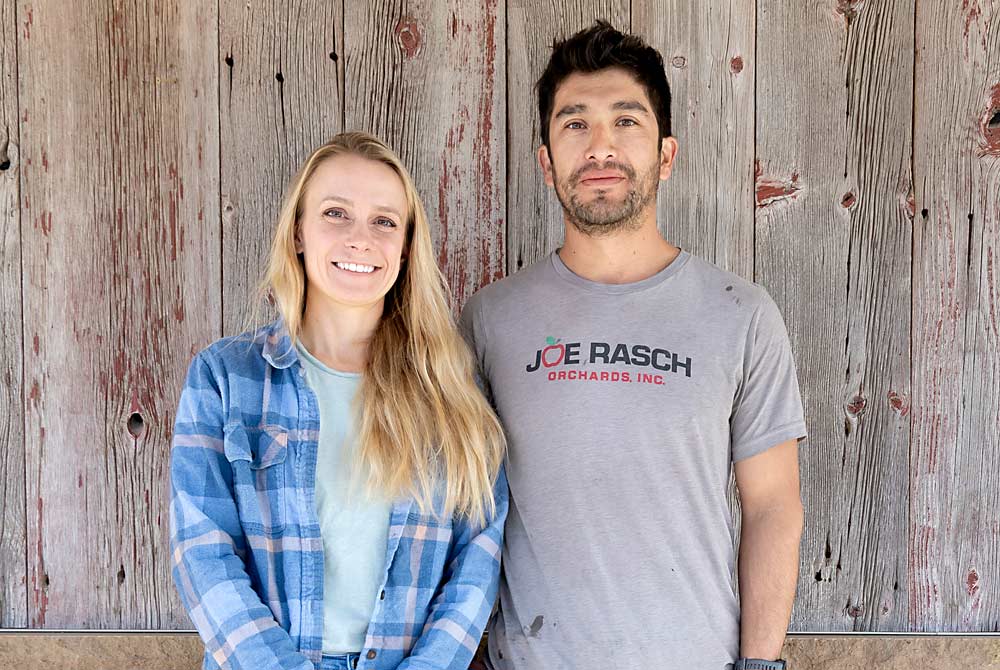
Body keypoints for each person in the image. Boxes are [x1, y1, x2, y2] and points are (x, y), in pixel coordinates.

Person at [460, 22, 806, 670]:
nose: (600, 146)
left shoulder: (741, 316)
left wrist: (760, 666)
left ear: (665, 155)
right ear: (545, 161)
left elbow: (772, 506)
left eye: (626, 122)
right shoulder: (490, 320)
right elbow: (458, 516)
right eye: (574, 124)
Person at [170, 131, 508, 670]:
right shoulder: (226, 378)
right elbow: (203, 554)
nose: (360, 239)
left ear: (405, 246)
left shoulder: (450, 387)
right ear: (299, 232)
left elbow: (479, 556)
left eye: (384, 221)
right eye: (335, 213)